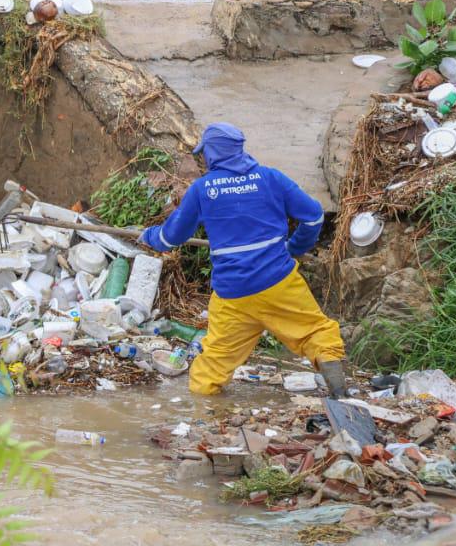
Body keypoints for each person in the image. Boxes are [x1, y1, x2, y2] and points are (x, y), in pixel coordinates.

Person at [139, 122, 348, 398]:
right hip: (279, 284)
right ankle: (342, 394)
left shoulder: (203, 190)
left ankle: (205, 420)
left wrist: (147, 236)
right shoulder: (271, 178)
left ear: (212, 154)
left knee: (212, 365)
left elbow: (170, 239)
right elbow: (313, 216)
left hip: (233, 294)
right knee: (316, 334)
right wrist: (293, 248)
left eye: (204, 154)